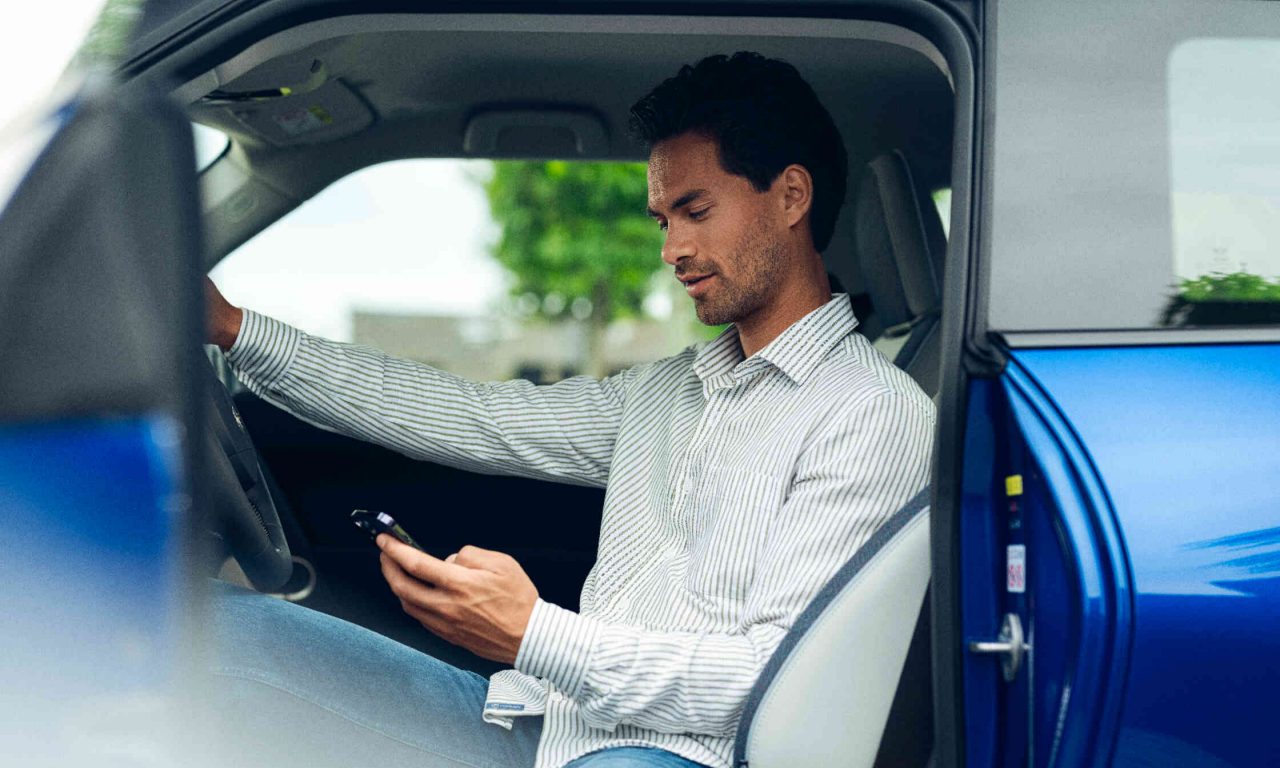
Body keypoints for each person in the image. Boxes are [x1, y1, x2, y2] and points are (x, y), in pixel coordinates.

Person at [205, 52, 934, 768]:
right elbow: (467, 414)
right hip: (551, 728)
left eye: (695, 211)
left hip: (682, 757)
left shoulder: (871, 415)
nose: (672, 249)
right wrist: (234, 330)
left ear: (791, 196)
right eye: (662, 221)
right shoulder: (669, 393)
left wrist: (533, 634)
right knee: (217, 630)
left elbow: (776, 682)